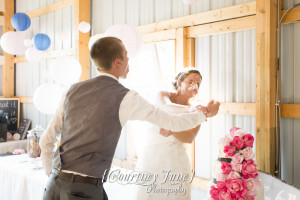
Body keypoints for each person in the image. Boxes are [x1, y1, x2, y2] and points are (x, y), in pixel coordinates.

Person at [40, 37, 220, 200]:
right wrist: (205, 112)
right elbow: (172, 122)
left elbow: (46, 141)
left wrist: (52, 174)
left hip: (54, 186)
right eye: (127, 55)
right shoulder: (126, 97)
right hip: (84, 190)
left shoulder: (71, 91)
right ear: (117, 62)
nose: (129, 60)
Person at [134, 69, 216, 200]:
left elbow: (190, 137)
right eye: (190, 81)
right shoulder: (164, 95)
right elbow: (167, 107)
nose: (194, 86)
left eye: (198, 84)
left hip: (177, 159)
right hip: (153, 156)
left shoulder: (197, 109)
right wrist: (192, 110)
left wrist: (173, 131)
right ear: (179, 82)